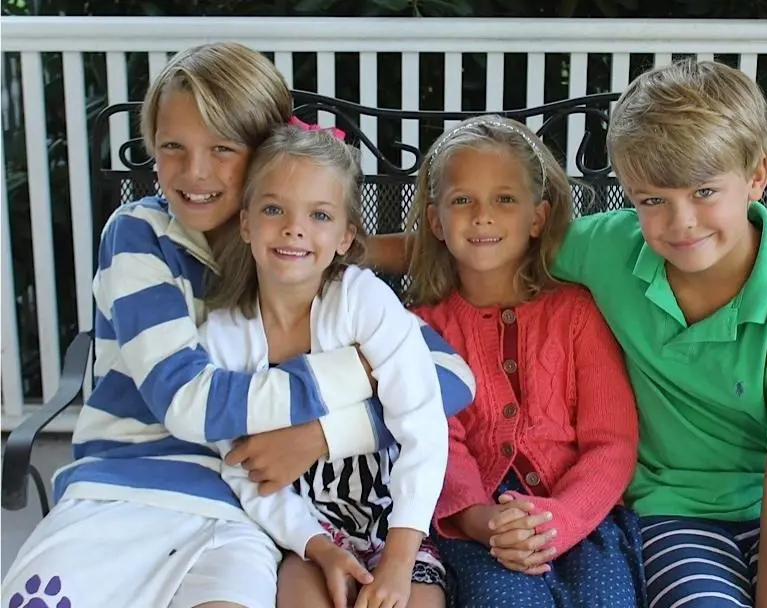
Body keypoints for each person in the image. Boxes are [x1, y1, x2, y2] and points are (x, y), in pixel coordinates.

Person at [2, 42, 474, 608]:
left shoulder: (300, 257)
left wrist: (321, 436)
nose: (194, 172)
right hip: (126, 485)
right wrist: (358, 374)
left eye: (222, 148)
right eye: (171, 147)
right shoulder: (140, 236)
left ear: (264, 152)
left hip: (245, 506)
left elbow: (446, 373)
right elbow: (191, 401)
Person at [367, 60, 767, 608]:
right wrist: (345, 248)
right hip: (674, 505)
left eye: (705, 191)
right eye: (652, 200)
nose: (681, 222)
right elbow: (487, 241)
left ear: (757, 175)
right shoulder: (611, 250)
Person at [203, 124, 452, 608]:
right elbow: (241, 469)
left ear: (344, 236)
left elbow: (422, 422)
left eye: (319, 214)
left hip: (395, 525)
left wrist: (399, 563)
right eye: (274, 209)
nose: (295, 228)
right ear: (246, 223)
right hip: (302, 535)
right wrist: (317, 547)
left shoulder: (363, 302)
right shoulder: (223, 336)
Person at [400, 115, 644, 607]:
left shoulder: (577, 312)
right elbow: (436, 437)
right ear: (435, 221)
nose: (482, 215)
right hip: (480, 522)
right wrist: (479, 518)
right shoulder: (420, 327)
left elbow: (611, 442)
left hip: (582, 512)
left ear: (537, 218)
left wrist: (562, 518)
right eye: (462, 200)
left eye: (504, 199)